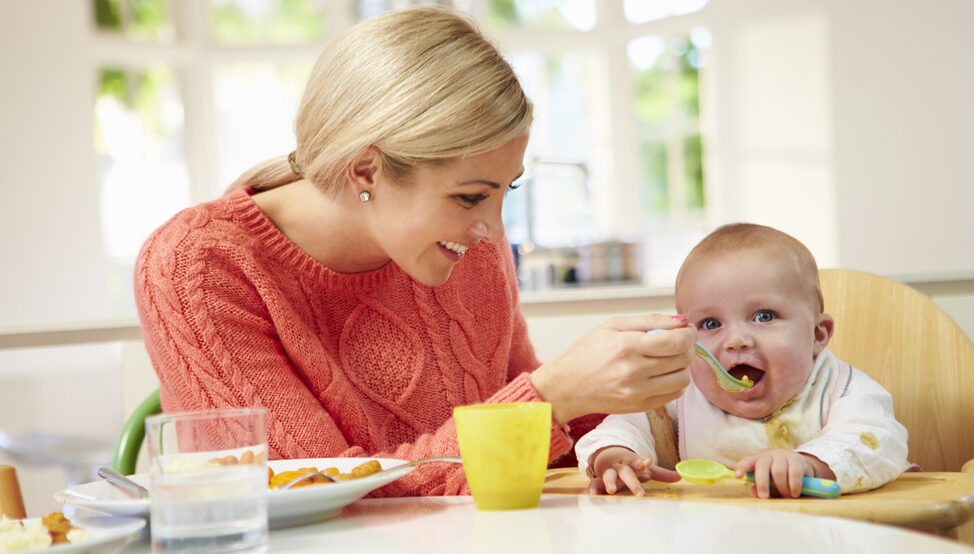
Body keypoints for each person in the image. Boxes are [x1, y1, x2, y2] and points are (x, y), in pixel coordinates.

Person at [133, 6, 695, 497]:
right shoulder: (197, 267)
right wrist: (551, 398)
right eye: (471, 195)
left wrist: (636, 416)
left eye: (505, 190)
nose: (493, 230)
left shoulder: (463, 246)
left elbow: (538, 445)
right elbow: (310, 492)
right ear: (366, 169)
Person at [575, 223, 910, 498]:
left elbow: (877, 440)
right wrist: (615, 457)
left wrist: (809, 463)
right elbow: (622, 426)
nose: (736, 340)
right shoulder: (679, 394)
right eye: (710, 324)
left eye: (764, 316)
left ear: (818, 334)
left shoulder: (842, 389)